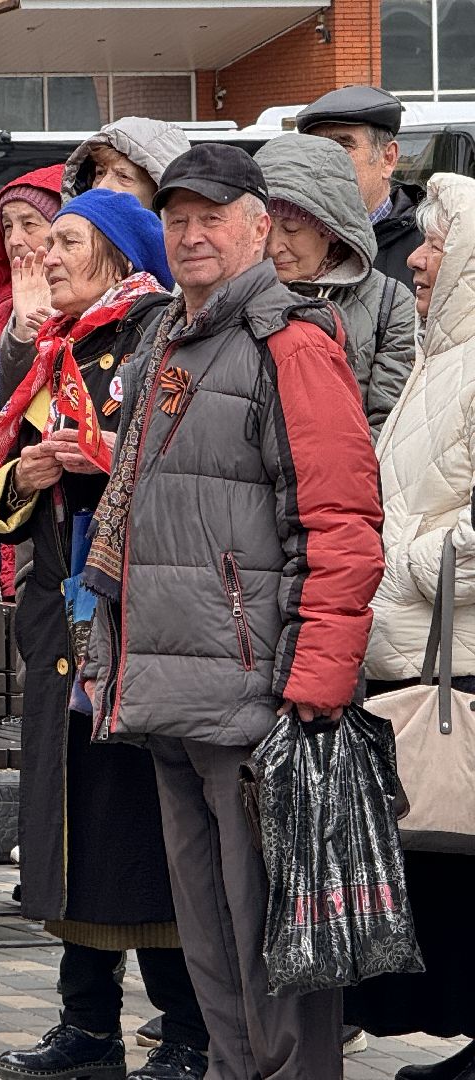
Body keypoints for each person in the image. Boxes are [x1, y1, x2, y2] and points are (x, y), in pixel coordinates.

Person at [78, 144, 384, 1079]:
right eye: (177, 218)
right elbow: (130, 510)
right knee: (208, 934)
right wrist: (110, 647)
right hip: (170, 685)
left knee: (274, 937)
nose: (192, 234)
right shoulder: (165, 335)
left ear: (261, 226)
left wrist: (318, 681)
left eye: (213, 216)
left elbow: (342, 521)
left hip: (258, 693)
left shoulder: (289, 342)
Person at [0, 189, 209, 1080]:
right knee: (70, 830)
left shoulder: (153, 341)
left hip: (136, 626)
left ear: (118, 255)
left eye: (67, 240)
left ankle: (187, 1032)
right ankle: (87, 1028)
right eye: (42, 239)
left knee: (141, 833)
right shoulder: (52, 352)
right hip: (60, 627)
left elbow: (177, 474)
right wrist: (31, 471)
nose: (46, 253)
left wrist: (96, 459)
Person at [345, 173, 475, 1080]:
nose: (417, 259)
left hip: (458, 663)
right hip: (421, 658)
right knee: (450, 879)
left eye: (435, 244)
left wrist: (400, 562)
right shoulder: (443, 356)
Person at [255, 133, 417, 436]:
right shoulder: (235, 290)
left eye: (292, 229)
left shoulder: (389, 302)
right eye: (263, 229)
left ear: (329, 229)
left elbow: (389, 423)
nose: (274, 246)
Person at [297, 84, 423, 290]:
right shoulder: (289, 241)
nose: (326, 161)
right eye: (317, 148)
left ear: (388, 159)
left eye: (343, 145)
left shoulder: (426, 246)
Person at [0, 164, 63, 387]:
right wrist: (20, 334)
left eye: (29, 224)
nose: (14, 239)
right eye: (7, 226)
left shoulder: (89, 309)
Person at [61, 117, 191, 208]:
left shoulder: (187, 245)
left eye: (123, 177)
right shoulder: (68, 244)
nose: (101, 186)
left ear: (158, 193)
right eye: (100, 173)